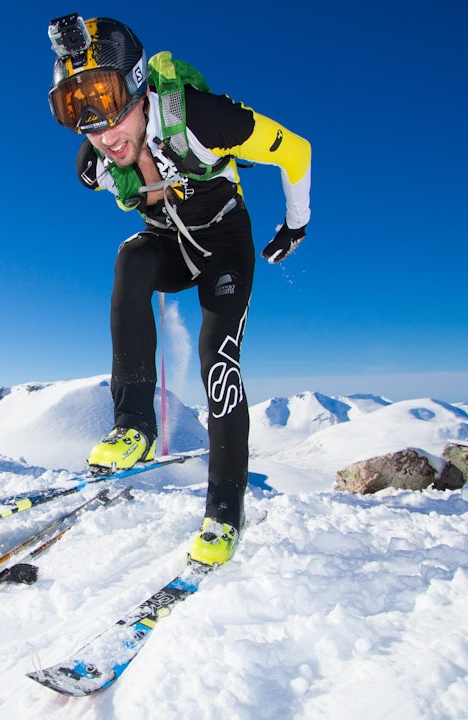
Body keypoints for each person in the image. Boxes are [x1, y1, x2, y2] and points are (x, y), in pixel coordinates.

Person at [46, 14, 311, 566]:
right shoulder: (94, 164)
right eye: (79, 116)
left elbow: (296, 150)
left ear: (139, 85)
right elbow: (111, 166)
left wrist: (295, 224)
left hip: (225, 246)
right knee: (131, 258)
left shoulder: (205, 121)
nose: (103, 135)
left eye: (110, 104)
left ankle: (224, 511)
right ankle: (134, 425)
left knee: (218, 357)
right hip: (170, 245)